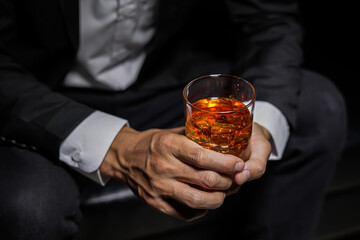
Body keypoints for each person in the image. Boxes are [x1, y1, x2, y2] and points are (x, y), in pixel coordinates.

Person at [0, 0, 346, 240]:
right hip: (39, 95)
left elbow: (269, 21)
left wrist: (260, 128)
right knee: (28, 207)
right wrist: (118, 149)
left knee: (320, 108)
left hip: (160, 77)